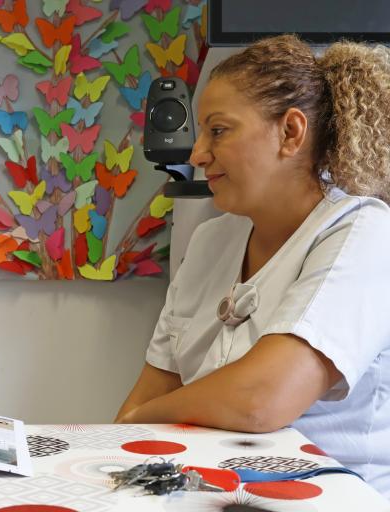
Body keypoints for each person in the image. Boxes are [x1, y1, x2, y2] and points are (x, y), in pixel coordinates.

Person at [116, 35, 390, 495]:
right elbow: (150, 390)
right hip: (207, 491)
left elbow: (263, 399)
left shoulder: (364, 235)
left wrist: (139, 422)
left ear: (291, 132)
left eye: (218, 131)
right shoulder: (210, 240)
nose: (197, 154)